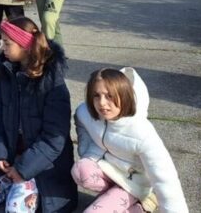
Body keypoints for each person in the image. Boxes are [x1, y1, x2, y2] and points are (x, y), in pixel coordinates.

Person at [0, 18, 77, 213]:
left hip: (42, 164)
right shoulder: (6, 73)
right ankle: (15, 181)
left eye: (7, 43)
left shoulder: (52, 82)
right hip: (13, 155)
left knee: (16, 209)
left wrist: (22, 170)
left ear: (26, 46)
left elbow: (54, 139)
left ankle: (29, 183)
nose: (2, 48)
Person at [74, 68, 188, 213]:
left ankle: (141, 205)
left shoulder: (141, 132)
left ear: (124, 95)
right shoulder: (86, 113)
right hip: (111, 171)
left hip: (135, 182)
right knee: (81, 170)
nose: (102, 103)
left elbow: (165, 179)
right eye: (96, 95)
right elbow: (81, 121)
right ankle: (115, 199)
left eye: (110, 96)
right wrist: (88, 151)